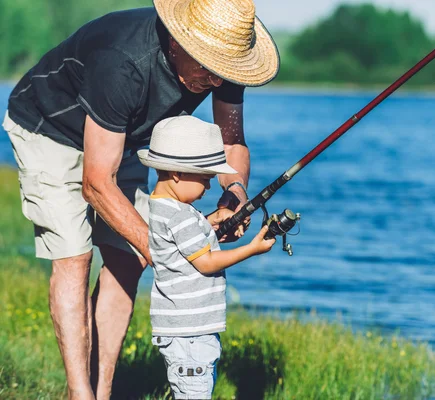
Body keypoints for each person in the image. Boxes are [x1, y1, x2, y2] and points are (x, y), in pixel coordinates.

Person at [2, 0, 279, 398]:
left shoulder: (223, 63)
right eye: (206, 68)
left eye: (223, 73)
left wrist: (234, 194)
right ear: (177, 42)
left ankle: (102, 390)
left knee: (128, 257)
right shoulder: (125, 61)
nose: (215, 82)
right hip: (49, 127)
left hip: (122, 137)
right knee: (75, 258)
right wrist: (166, 247)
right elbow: (96, 183)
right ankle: (81, 396)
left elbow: (231, 143)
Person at [139, 115, 275, 399]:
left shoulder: (163, 207)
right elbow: (207, 262)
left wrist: (209, 224)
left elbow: (187, 239)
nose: (210, 187)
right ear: (177, 173)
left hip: (182, 330)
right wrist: (253, 248)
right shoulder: (180, 215)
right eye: (205, 179)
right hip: (191, 334)